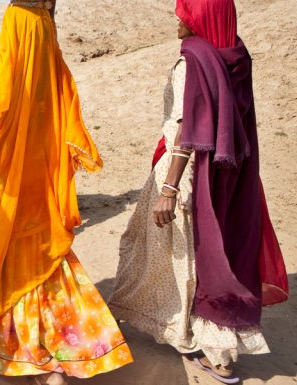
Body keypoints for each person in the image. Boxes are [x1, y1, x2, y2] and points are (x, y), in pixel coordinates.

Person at [0, 2, 133, 385]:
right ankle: (61, 349)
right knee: (41, 265)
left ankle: (23, 355)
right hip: (40, 195)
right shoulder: (56, 80)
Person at [108, 0, 289, 383]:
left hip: (186, 174)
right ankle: (216, 347)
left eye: (184, 11)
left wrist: (169, 188)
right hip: (230, 175)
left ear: (200, 17)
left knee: (170, 255)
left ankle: (200, 345)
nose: (177, 18)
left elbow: (186, 129)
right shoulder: (236, 55)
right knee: (215, 256)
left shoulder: (193, 63)